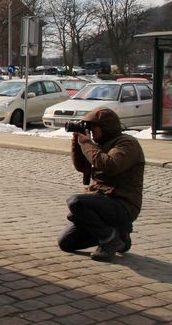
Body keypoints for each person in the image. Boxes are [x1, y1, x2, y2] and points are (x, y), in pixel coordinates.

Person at [58, 107, 144, 262]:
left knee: (76, 202)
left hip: (122, 204)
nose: (91, 131)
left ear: (104, 127)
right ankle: (118, 234)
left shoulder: (127, 144)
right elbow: (81, 167)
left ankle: (110, 240)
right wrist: (78, 143)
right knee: (66, 243)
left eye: (93, 127)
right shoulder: (99, 144)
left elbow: (110, 166)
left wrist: (87, 143)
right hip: (103, 201)